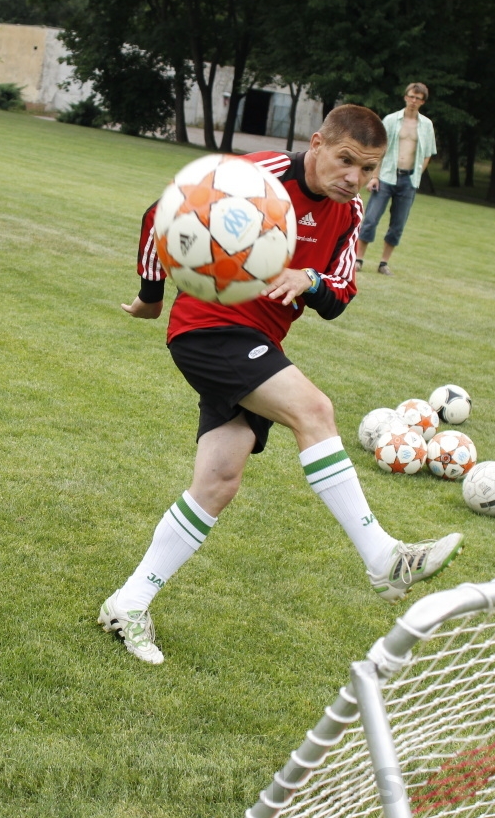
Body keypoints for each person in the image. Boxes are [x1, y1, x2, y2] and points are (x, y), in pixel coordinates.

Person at [100, 105, 463, 665]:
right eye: (346, 161)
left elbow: (339, 294)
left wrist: (310, 280)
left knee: (219, 481)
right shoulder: (258, 176)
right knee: (315, 410)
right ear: (316, 144)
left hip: (260, 343)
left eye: (367, 169)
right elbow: (160, 212)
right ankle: (383, 557)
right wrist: (151, 296)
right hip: (209, 328)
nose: (354, 178)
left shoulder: (351, 212)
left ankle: (129, 602)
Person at [353, 83, 437, 276]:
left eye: (418, 98)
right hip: (386, 177)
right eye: (411, 96)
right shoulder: (391, 120)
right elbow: (379, 149)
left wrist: (417, 175)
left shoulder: (426, 125)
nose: (414, 101)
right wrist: (374, 176)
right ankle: (358, 258)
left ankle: (383, 263)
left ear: (423, 102)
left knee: (397, 224)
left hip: (409, 180)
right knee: (371, 219)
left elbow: (428, 154)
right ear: (405, 97)